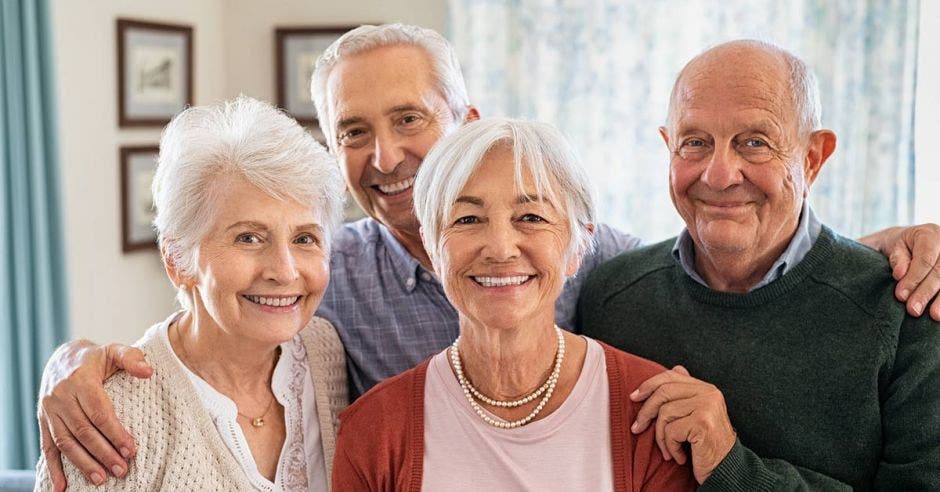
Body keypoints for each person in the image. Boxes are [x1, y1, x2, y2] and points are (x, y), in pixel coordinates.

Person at [36, 24, 940, 489]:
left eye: (409, 121)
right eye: (354, 130)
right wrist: (72, 362)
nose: (385, 157)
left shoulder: (612, 278)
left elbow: (736, 234)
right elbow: (206, 315)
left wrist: (889, 248)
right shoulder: (320, 288)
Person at [579, 40, 940, 489]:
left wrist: (731, 465)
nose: (719, 174)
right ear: (667, 147)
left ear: (812, 159)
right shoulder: (611, 297)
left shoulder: (909, 312)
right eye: (695, 142)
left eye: (754, 143)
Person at [333, 118, 695, 491]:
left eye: (530, 217)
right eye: (468, 219)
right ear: (432, 246)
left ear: (579, 246)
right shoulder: (373, 429)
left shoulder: (650, 413)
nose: (501, 248)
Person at [36, 96, 348, 490]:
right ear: (178, 260)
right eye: (248, 238)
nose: (284, 271)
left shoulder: (324, 352)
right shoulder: (109, 415)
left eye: (305, 238)